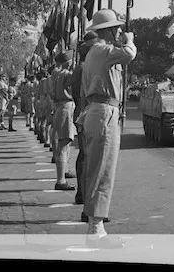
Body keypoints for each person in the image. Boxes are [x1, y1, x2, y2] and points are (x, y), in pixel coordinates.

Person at [78, 9, 136, 247]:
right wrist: (129, 41)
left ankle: (95, 225)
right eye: (117, 28)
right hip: (104, 111)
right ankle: (96, 229)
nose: (120, 32)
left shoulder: (93, 53)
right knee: (103, 170)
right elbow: (129, 54)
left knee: (97, 168)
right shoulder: (103, 50)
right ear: (109, 30)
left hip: (96, 110)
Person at [72, 31, 98, 215]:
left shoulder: (80, 68)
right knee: (88, 157)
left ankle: (83, 194)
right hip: (87, 113)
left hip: (83, 112)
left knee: (85, 156)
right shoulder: (83, 68)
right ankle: (86, 200)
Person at [51, 50, 77, 191]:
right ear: (68, 62)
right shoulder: (67, 75)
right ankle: (60, 180)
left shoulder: (56, 75)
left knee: (64, 143)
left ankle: (63, 173)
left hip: (60, 107)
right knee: (64, 142)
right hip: (66, 107)